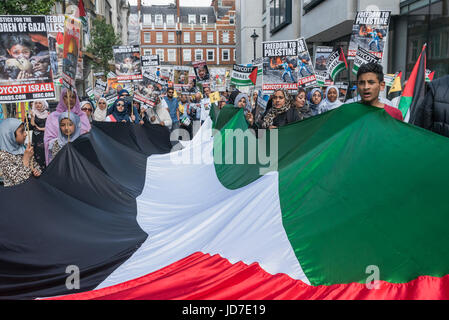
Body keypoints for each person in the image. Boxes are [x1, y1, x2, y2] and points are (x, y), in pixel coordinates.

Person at [44, 88, 91, 165]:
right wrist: (62, 141)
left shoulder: (82, 116)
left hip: (79, 158)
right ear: (62, 98)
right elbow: (48, 141)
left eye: (73, 97)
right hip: (60, 157)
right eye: (66, 96)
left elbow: (88, 137)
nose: (70, 99)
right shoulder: (53, 117)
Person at [0, 118, 41, 187]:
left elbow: (35, 166)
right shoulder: (3, 155)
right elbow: (19, 180)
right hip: (15, 192)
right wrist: (26, 159)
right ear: (9, 135)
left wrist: (36, 171)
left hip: (31, 187)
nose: (25, 134)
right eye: (22, 131)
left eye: (25, 130)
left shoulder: (23, 147)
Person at [30, 100, 49, 169]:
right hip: (36, 137)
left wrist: (40, 128)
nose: (37, 105)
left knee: (46, 152)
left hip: (46, 136)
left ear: (43, 104)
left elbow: (50, 126)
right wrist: (32, 117)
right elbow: (32, 126)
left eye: (40, 103)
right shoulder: (33, 113)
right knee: (37, 153)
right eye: (36, 103)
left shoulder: (48, 113)